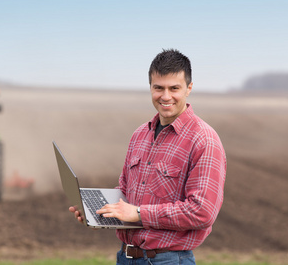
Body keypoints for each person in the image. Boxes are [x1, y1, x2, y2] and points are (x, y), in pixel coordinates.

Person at [70, 49, 226, 264]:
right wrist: (95, 210)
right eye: (158, 88)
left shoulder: (204, 140)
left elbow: (202, 211)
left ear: (189, 88)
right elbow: (126, 191)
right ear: (150, 87)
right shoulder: (140, 135)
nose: (166, 96)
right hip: (125, 257)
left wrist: (140, 213)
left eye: (174, 88)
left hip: (168, 260)